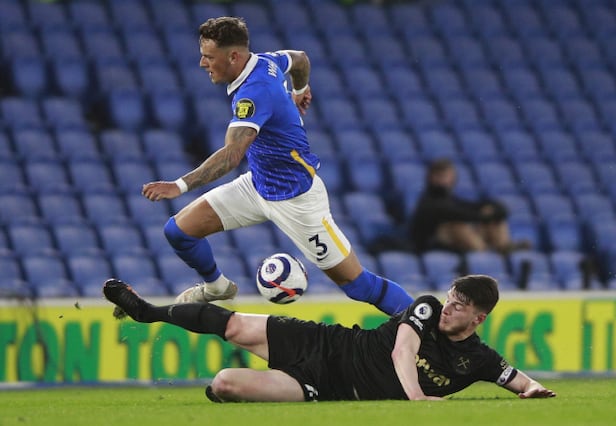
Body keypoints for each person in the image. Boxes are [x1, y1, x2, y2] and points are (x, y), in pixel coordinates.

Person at [140, 17, 412, 316]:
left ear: (234, 56)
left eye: (209, 57)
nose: (202, 63)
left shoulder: (254, 92)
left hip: (296, 201)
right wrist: (301, 89)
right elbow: (300, 59)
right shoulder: (266, 61)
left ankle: (425, 327)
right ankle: (217, 287)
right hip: (258, 184)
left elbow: (231, 156)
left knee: (357, 286)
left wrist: (179, 185)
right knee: (178, 232)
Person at [102, 274, 557, 402]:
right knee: (236, 325)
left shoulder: (477, 359)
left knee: (224, 383)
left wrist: (534, 389)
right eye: (452, 296)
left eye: (460, 305)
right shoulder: (427, 308)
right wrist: (417, 398)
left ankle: (224, 396)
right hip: (327, 344)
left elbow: (517, 379)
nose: (449, 306)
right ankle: (147, 311)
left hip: (325, 386)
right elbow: (403, 350)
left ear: (478, 318)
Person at [409, 158, 527, 253]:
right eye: (441, 176)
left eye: (448, 176)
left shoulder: (449, 198)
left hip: (455, 245)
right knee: (457, 226)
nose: (445, 180)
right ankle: (484, 252)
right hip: (431, 246)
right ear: (431, 177)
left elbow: (471, 207)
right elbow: (458, 214)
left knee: (495, 221)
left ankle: (504, 248)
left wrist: (494, 209)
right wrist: (487, 214)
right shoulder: (429, 201)